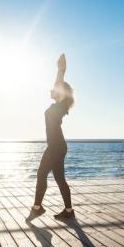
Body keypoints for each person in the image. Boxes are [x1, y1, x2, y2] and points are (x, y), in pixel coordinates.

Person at [27, 53, 75, 220]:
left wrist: (60, 70)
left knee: (41, 173)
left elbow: (59, 83)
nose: (51, 89)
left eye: (55, 88)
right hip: (57, 146)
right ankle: (69, 211)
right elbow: (58, 85)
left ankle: (37, 207)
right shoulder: (57, 105)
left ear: (61, 92)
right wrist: (58, 71)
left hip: (56, 146)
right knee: (59, 179)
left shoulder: (61, 105)